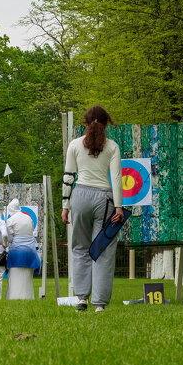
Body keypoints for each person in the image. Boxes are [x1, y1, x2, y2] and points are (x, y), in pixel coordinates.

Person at [62, 105, 123, 313]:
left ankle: (81, 298)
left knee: (80, 248)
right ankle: (100, 304)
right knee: (103, 250)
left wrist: (65, 206)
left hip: (80, 197)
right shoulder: (112, 146)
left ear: (85, 124)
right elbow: (115, 178)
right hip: (104, 200)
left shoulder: (75, 145)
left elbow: (68, 177)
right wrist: (119, 207)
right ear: (106, 125)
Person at [4, 199, 41, 300]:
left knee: (16, 276)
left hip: (17, 253)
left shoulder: (11, 220)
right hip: (30, 252)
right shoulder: (28, 218)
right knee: (27, 278)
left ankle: (14, 297)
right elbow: (31, 232)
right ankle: (28, 297)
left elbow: (10, 238)